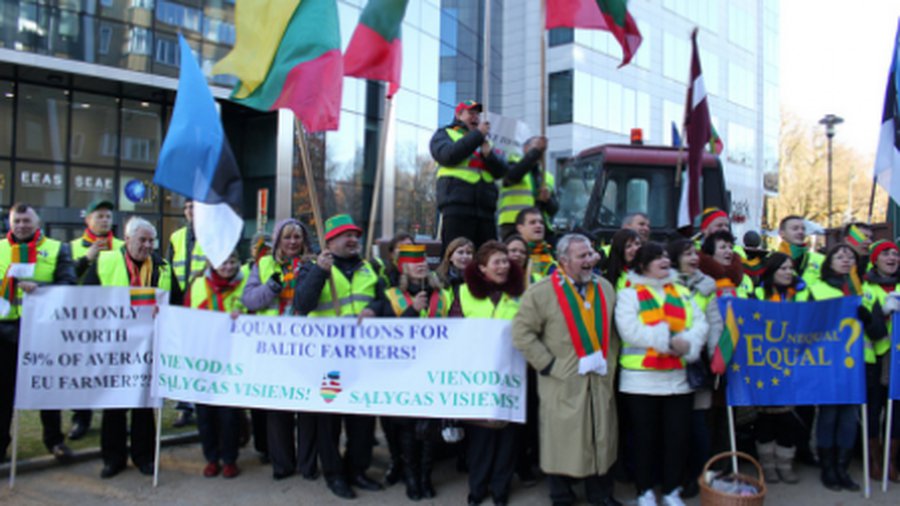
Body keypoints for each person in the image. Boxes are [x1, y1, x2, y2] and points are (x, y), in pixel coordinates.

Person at [513, 234, 621, 506]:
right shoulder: (542, 292)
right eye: (582, 256)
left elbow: (614, 333)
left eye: (590, 254)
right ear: (563, 260)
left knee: (601, 436)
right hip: (562, 380)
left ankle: (601, 494)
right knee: (561, 440)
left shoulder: (606, 288)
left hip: (598, 379)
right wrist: (549, 365)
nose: (589, 260)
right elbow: (521, 333)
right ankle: (560, 494)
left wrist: (609, 363)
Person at [293, 214, 386, 499]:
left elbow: (385, 300)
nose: (353, 240)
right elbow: (303, 304)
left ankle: (357, 469)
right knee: (329, 421)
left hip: (362, 359)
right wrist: (321, 272)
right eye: (346, 235)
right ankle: (335, 475)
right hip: (328, 361)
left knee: (362, 419)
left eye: (356, 235)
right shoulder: (312, 268)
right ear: (329, 241)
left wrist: (375, 309)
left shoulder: (371, 269)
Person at [83, 216, 182, 478]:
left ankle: (144, 457)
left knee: (143, 405)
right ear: (127, 240)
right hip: (113, 347)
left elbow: (179, 303)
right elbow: (85, 299)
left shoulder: (162, 267)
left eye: (151, 240)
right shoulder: (105, 262)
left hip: (147, 348)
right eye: (142, 240)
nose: (148, 245)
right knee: (113, 404)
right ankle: (113, 459)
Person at [615, 242, 708, 506]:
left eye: (667, 256)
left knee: (677, 439)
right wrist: (669, 341)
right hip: (640, 381)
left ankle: (671, 490)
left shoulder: (681, 290)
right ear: (643, 265)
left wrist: (688, 343)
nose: (665, 261)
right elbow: (629, 330)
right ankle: (644, 491)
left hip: (678, 380)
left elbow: (700, 323)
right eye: (657, 258)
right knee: (644, 440)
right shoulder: (629, 293)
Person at [372, 244, 450, 500]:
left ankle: (426, 477)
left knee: (429, 428)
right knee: (406, 428)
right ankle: (412, 478)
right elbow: (385, 334)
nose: (421, 264)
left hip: (434, 370)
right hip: (404, 372)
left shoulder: (443, 295)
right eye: (414, 261)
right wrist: (412, 310)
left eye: (423, 260)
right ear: (403, 266)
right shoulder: (392, 296)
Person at [0, 203, 77, 463]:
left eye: (26, 221)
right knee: (3, 394)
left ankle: (54, 441)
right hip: (4, 334)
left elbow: (69, 285)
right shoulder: (0, 248)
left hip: (43, 333)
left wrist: (40, 288)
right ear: (10, 223)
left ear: (38, 223)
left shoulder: (57, 248)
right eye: (17, 221)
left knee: (48, 390)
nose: (21, 225)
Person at [452, 240, 524, 506]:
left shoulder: (520, 293)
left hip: (511, 375)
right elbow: (454, 329)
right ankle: (478, 487)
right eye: (497, 261)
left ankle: (501, 488)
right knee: (481, 438)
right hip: (478, 375)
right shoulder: (463, 292)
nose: (504, 266)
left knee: (507, 437)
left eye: (506, 261)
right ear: (482, 268)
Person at [241, 218, 314, 481]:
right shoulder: (262, 264)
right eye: (287, 237)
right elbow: (248, 299)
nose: (293, 242)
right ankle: (282, 464)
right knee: (278, 408)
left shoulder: (314, 265)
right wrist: (271, 286)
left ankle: (307, 465)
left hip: (307, 347)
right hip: (274, 348)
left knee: (307, 408)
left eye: (297, 237)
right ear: (278, 241)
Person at [806, 243, 865, 492]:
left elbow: (875, 331)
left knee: (849, 417)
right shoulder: (816, 288)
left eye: (849, 256)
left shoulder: (860, 290)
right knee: (829, 415)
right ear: (829, 261)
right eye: (839, 256)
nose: (845, 259)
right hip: (826, 362)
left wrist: (869, 316)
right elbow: (806, 325)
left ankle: (843, 467)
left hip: (854, 363)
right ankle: (828, 467)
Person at [749, 252, 809, 485]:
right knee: (766, 419)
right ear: (772, 271)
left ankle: (785, 463)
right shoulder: (757, 295)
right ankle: (768, 465)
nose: (787, 272)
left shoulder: (801, 296)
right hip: (766, 365)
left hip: (794, 364)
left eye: (790, 268)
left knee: (789, 419)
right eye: (782, 268)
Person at [186, 251, 247, 479]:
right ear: (212, 262)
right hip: (203, 359)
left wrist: (243, 315)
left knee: (229, 414)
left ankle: (230, 459)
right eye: (224, 262)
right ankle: (211, 458)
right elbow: (183, 315)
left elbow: (253, 313)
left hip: (231, 360)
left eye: (233, 262)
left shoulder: (244, 285)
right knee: (205, 414)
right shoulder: (198, 285)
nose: (229, 267)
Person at [666, 239, 720, 497]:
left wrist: (714, 358)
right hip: (669, 364)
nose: (693, 257)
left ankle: (699, 475)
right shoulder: (663, 284)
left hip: (698, 365)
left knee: (698, 424)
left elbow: (715, 324)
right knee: (675, 427)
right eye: (687, 253)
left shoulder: (707, 286)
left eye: (695, 253)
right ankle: (674, 476)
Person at [67, 198, 124, 440]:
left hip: (116, 319)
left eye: (108, 216)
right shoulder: (71, 247)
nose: (104, 220)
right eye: (99, 216)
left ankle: (116, 419)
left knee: (115, 370)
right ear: (88, 220)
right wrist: (87, 257)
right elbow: (67, 280)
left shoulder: (123, 245)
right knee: (83, 371)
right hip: (84, 320)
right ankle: (81, 419)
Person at [432, 100, 509, 250]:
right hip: (457, 206)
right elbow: (448, 156)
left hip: (485, 209)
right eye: (471, 113)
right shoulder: (445, 134)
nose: (475, 117)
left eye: (477, 114)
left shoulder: (486, 141)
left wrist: (490, 156)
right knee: (457, 255)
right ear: (459, 115)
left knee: (488, 256)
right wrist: (477, 135)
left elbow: (501, 171)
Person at [861, 240, 900, 481]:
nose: (892, 257)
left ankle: (891, 461)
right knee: (874, 410)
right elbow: (866, 324)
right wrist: (884, 313)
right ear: (875, 259)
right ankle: (875, 461)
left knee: (897, 411)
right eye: (886, 253)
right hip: (873, 358)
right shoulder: (865, 287)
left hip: (898, 358)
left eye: (895, 254)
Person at [168, 199, 205, 428]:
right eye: (188, 207)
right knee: (183, 359)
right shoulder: (176, 237)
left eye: (196, 207)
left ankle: (202, 405)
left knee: (202, 359)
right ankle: (184, 407)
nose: (192, 211)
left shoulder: (213, 234)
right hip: (181, 305)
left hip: (205, 306)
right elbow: (168, 270)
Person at [497, 136, 555, 241]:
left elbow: (554, 209)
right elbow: (513, 177)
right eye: (536, 145)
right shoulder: (512, 163)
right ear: (525, 148)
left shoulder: (547, 176)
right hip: (513, 223)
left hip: (540, 226)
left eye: (542, 148)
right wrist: (535, 152)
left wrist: (547, 200)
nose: (540, 149)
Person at [698, 231, 753, 298]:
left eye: (730, 247)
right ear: (710, 254)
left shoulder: (745, 279)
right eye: (723, 247)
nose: (729, 251)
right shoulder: (700, 277)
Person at [777, 215, 824, 284]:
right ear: (782, 233)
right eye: (795, 229)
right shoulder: (770, 260)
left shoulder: (821, 259)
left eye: (803, 229)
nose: (800, 232)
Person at [515, 207, 557, 282]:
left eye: (541, 222)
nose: (538, 226)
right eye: (532, 222)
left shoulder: (550, 253)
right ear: (520, 228)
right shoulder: (512, 254)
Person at [436, 237, 474, 302]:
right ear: (450, 257)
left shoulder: (477, 279)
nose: (465, 256)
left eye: (469, 253)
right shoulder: (438, 279)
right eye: (460, 252)